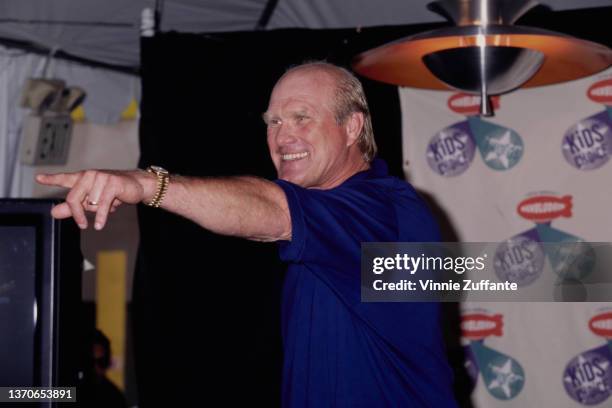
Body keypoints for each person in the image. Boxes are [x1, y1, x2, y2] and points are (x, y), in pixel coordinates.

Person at [37, 62, 458, 407]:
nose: (281, 135)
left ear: (352, 128)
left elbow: (271, 209)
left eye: (301, 117)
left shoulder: (384, 210)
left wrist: (149, 185)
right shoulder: (327, 232)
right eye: (272, 121)